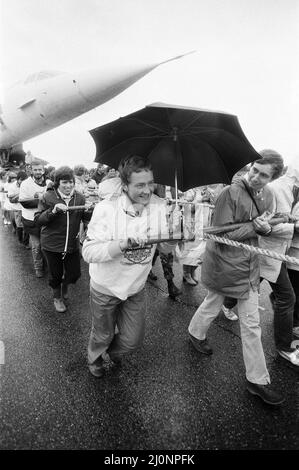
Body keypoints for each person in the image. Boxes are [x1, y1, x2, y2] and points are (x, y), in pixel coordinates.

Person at [188, 151, 286, 406]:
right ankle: (256, 379)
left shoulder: (268, 194)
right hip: (226, 263)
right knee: (231, 312)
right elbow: (222, 235)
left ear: (272, 178)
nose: (255, 176)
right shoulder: (228, 193)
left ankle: (256, 379)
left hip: (248, 264)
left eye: (263, 175)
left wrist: (267, 226)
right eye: (254, 169)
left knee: (237, 315)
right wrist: (256, 226)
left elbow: (263, 225)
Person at [82, 155, 177, 377]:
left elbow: (165, 250)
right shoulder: (106, 208)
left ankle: (112, 352)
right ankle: (94, 357)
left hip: (135, 287)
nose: (147, 190)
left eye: (150, 182)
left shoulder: (161, 207)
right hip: (105, 286)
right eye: (140, 185)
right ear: (125, 186)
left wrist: (173, 236)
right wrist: (122, 245)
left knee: (132, 340)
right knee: (102, 334)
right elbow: (88, 252)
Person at [35, 166, 91, 312]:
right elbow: (38, 220)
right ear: (57, 183)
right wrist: (53, 211)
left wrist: (89, 211)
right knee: (55, 275)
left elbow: (85, 219)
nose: (68, 185)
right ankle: (57, 297)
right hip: (51, 245)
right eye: (64, 182)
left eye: (71, 182)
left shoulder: (80, 197)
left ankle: (65, 285)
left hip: (71, 245)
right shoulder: (47, 197)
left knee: (74, 274)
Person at [19, 157, 51, 277]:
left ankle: (48, 265)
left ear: (43, 170)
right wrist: (42, 199)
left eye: (40, 170)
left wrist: (43, 199)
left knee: (46, 245)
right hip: (31, 219)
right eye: (35, 170)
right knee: (37, 246)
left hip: (45, 218)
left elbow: (52, 198)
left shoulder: (49, 183)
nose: (38, 172)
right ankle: (38, 267)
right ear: (31, 170)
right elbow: (24, 202)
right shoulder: (25, 184)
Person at [7, 170, 28, 246]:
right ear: (18, 179)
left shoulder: (27, 185)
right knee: (19, 225)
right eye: (21, 180)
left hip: (26, 208)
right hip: (17, 208)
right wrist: (19, 196)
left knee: (27, 225)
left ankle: (26, 243)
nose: (23, 182)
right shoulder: (12, 186)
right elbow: (11, 200)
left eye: (24, 180)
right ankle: (20, 240)